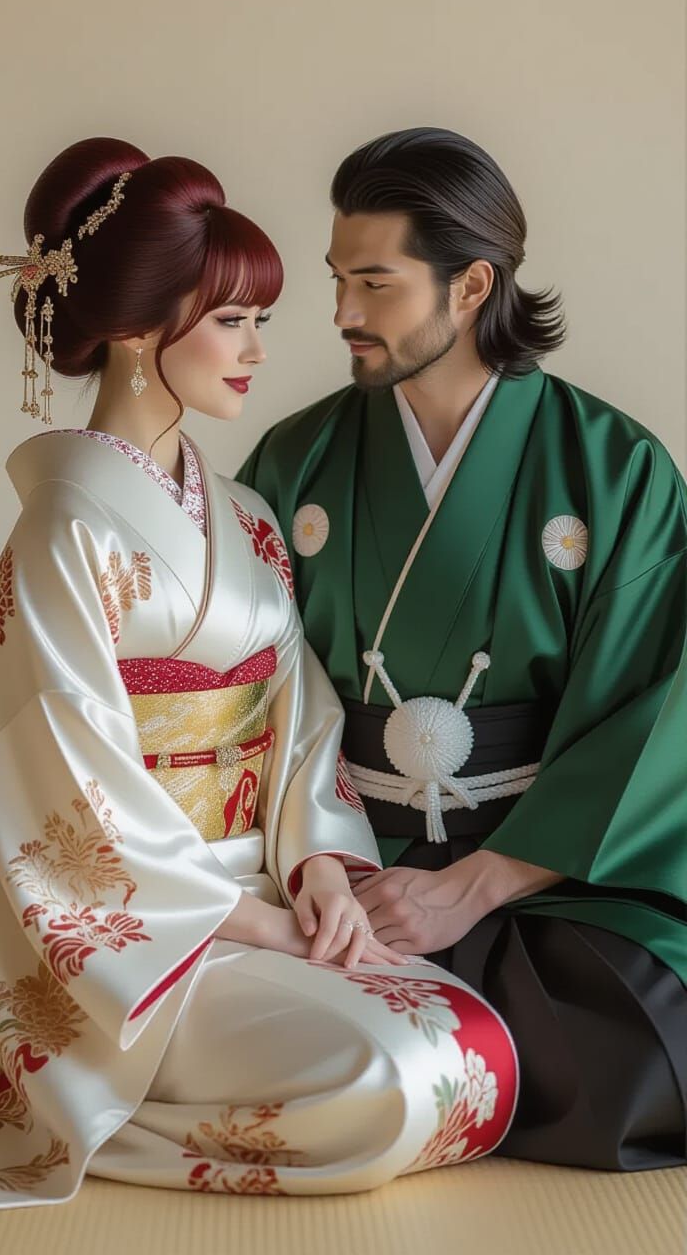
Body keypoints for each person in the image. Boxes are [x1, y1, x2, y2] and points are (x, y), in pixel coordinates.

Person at [0, 138, 517, 1215]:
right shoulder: (61, 532)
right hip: (140, 939)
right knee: (396, 1077)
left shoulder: (242, 515)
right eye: (233, 321)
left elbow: (301, 718)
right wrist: (255, 925)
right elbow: (67, 787)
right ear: (138, 333)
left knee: (473, 1049)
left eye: (260, 321)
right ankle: (99, 1107)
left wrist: (321, 871)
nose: (256, 350)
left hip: (263, 895)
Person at [238, 127, 687, 1172]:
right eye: (338, 279)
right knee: (236, 1014)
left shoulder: (615, 468)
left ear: (473, 285)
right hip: (345, 870)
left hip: (543, 876)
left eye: (375, 283)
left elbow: (654, 708)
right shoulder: (296, 460)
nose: (342, 312)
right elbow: (256, 700)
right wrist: (322, 868)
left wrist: (478, 883)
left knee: (641, 1054)